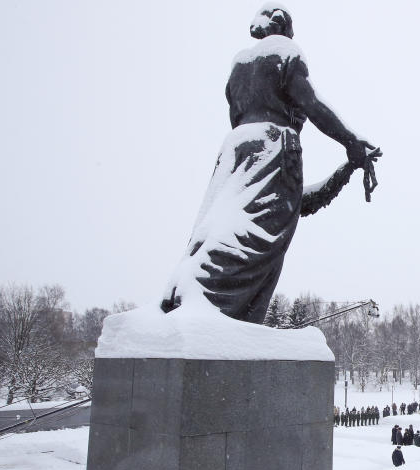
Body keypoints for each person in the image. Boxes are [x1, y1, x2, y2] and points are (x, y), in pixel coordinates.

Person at [161, 4, 378, 321]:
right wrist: (350, 142)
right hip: (275, 145)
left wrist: (346, 169)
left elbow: (296, 205)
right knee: (255, 239)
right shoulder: (284, 52)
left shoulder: (238, 67)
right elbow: (311, 104)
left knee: (222, 227)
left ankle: (192, 295)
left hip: (234, 150)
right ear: (285, 29)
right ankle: (209, 309)